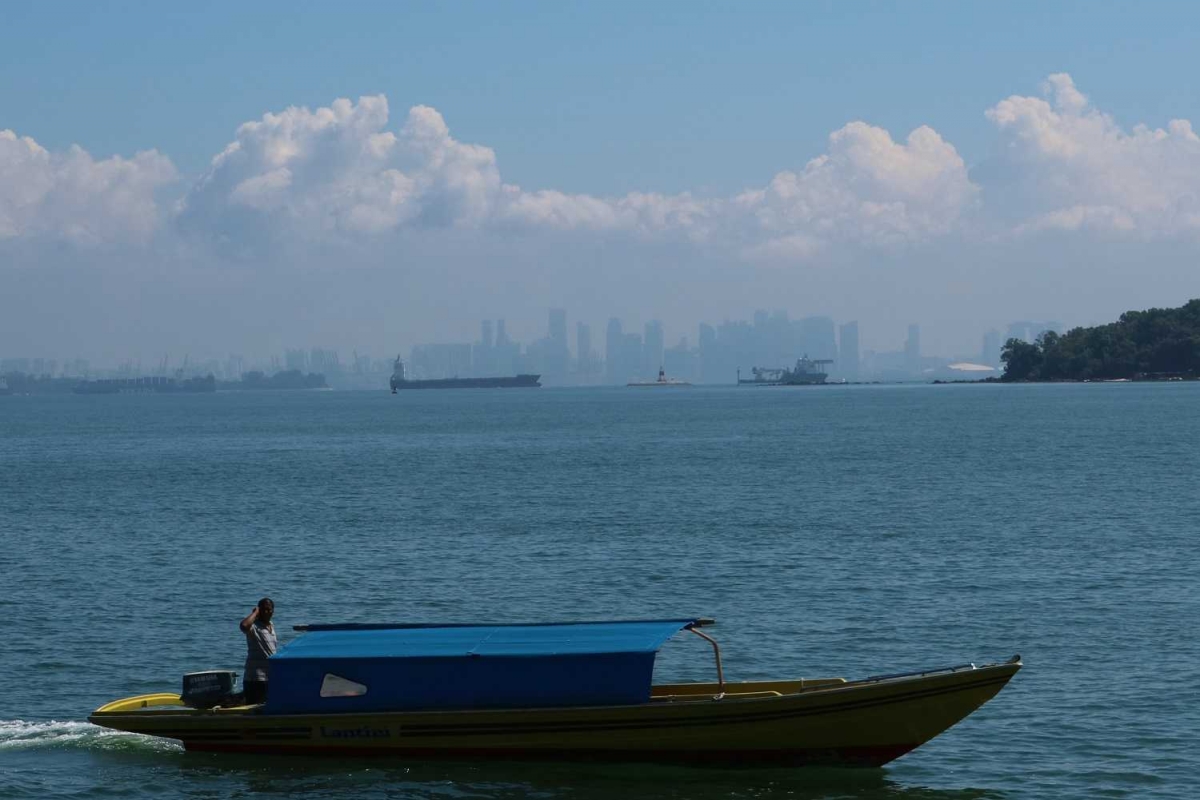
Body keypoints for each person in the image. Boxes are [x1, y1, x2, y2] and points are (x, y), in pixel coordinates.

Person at [240, 597, 277, 704]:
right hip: (255, 678)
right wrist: (255, 613)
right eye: (264, 609)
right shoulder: (254, 626)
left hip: (269, 676)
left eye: (269, 609)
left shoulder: (271, 625)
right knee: (254, 709)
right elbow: (244, 626)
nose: (267, 612)